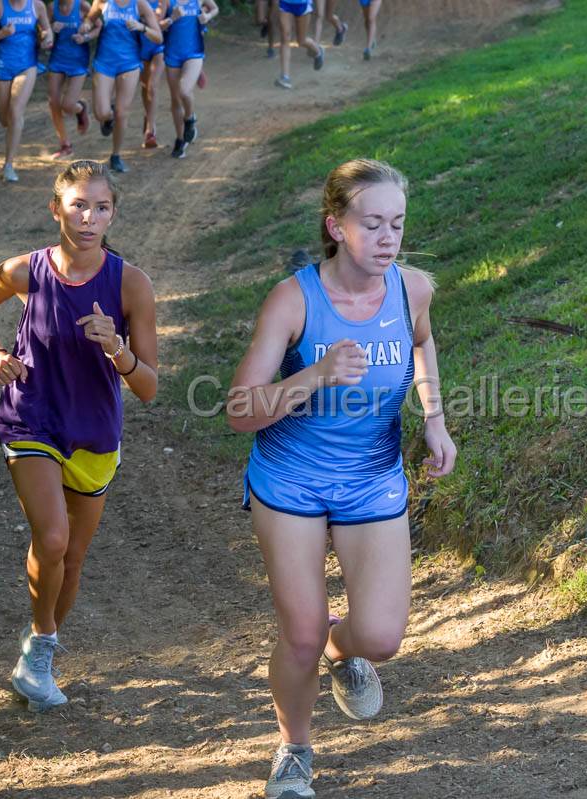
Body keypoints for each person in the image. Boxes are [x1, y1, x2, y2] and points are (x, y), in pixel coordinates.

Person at [226, 159, 456, 798]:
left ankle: (339, 650)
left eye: (398, 224)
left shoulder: (412, 289)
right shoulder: (294, 299)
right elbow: (240, 410)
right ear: (336, 225)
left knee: (379, 638)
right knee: (298, 631)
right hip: (290, 480)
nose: (389, 238)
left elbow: (423, 343)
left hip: (371, 477)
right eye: (372, 223)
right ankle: (294, 751)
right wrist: (315, 375)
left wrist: (434, 419)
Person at [0, 160, 158, 712]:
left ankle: (38, 649)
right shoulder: (27, 270)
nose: (89, 217)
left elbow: (148, 386)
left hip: (94, 434)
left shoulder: (131, 284)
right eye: (78, 204)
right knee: (51, 539)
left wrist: (116, 348)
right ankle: (43, 646)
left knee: (71, 557)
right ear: (56, 209)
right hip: (33, 418)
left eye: (101, 207)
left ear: (112, 214)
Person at [0, 0, 54, 182]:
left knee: (15, 111)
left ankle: (8, 165)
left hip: (27, 66)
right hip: (2, 66)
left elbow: (47, 31)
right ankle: (9, 163)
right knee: (5, 120)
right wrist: (1, 34)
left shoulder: (37, 6)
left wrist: (47, 38)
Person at [83, 0, 163, 172]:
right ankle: (109, 117)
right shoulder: (102, 2)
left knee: (122, 112)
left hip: (130, 63)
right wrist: (86, 26)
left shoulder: (140, 5)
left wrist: (142, 27)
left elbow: (158, 37)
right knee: (101, 113)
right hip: (104, 62)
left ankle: (116, 156)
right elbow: (90, 20)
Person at [162, 0, 219, 158]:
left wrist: (207, 16)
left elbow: (215, 8)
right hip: (172, 53)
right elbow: (157, 26)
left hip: (194, 52)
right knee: (175, 100)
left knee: (185, 90)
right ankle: (180, 140)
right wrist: (172, 18)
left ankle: (190, 118)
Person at [45, 0, 99, 158]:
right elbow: (43, 30)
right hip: (58, 59)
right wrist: (50, 30)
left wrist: (86, 36)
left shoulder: (83, 6)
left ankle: (80, 108)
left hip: (78, 61)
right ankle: (65, 145)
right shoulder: (51, 7)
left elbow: (99, 27)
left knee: (68, 105)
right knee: (53, 102)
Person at [138, 0, 168, 149]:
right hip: (140, 46)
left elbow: (158, 19)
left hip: (158, 46)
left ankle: (151, 129)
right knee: (144, 87)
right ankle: (148, 115)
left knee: (152, 86)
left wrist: (144, 18)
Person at [274, 0, 323, 90]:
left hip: (302, 4)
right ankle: (285, 77)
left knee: (301, 41)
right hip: (285, 3)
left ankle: (318, 51)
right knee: (285, 38)